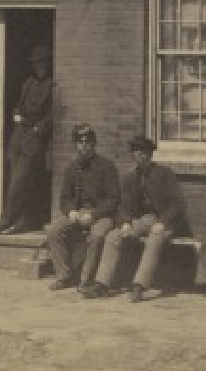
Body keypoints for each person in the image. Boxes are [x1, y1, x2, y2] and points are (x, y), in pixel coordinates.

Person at [86, 135, 188, 301]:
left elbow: (178, 204)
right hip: (142, 221)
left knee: (154, 239)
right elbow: (124, 207)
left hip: (165, 222)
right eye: (136, 152)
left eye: (143, 152)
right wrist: (125, 223)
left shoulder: (164, 174)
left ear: (150, 154)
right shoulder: (130, 178)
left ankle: (139, 285)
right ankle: (102, 284)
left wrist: (163, 222)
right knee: (113, 236)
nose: (140, 155)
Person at [0, 45, 56, 236]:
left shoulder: (52, 84)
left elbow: (53, 115)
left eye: (42, 62)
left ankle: (5, 220)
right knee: (16, 180)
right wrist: (16, 114)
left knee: (19, 181)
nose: (39, 66)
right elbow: (18, 105)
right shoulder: (28, 83)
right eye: (36, 63)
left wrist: (38, 129)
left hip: (34, 138)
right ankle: (21, 221)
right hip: (18, 135)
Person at [45, 123, 118, 291]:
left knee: (98, 235)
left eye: (88, 142)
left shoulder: (107, 166)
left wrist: (94, 214)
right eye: (80, 142)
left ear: (94, 144)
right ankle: (64, 276)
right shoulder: (72, 168)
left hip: (102, 215)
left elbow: (113, 199)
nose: (84, 146)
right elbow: (64, 198)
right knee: (54, 230)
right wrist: (70, 211)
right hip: (78, 213)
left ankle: (86, 280)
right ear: (76, 145)